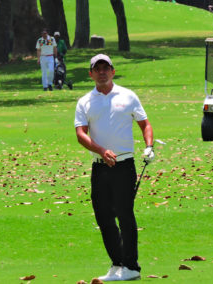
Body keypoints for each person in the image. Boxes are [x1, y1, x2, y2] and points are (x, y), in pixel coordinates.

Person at [74, 54, 155, 281]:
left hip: (124, 165)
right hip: (99, 167)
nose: (102, 72)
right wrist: (101, 151)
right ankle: (118, 264)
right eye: (97, 69)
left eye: (105, 68)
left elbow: (145, 124)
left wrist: (149, 146)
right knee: (103, 217)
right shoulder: (85, 102)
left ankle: (131, 266)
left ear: (113, 71)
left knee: (124, 214)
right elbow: (81, 134)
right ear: (90, 74)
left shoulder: (128, 96)